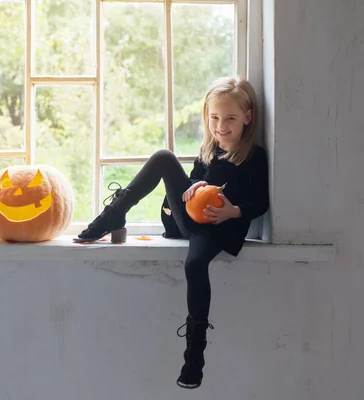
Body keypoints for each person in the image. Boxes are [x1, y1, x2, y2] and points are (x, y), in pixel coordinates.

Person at [73, 77, 269, 389]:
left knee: (194, 264)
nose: (221, 126)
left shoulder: (254, 157)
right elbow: (196, 179)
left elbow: (261, 201)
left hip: (220, 228)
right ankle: (114, 215)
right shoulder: (208, 149)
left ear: (247, 117)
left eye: (230, 118)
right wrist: (192, 187)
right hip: (191, 218)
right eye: (214, 118)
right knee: (164, 156)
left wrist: (234, 211)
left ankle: (195, 353)